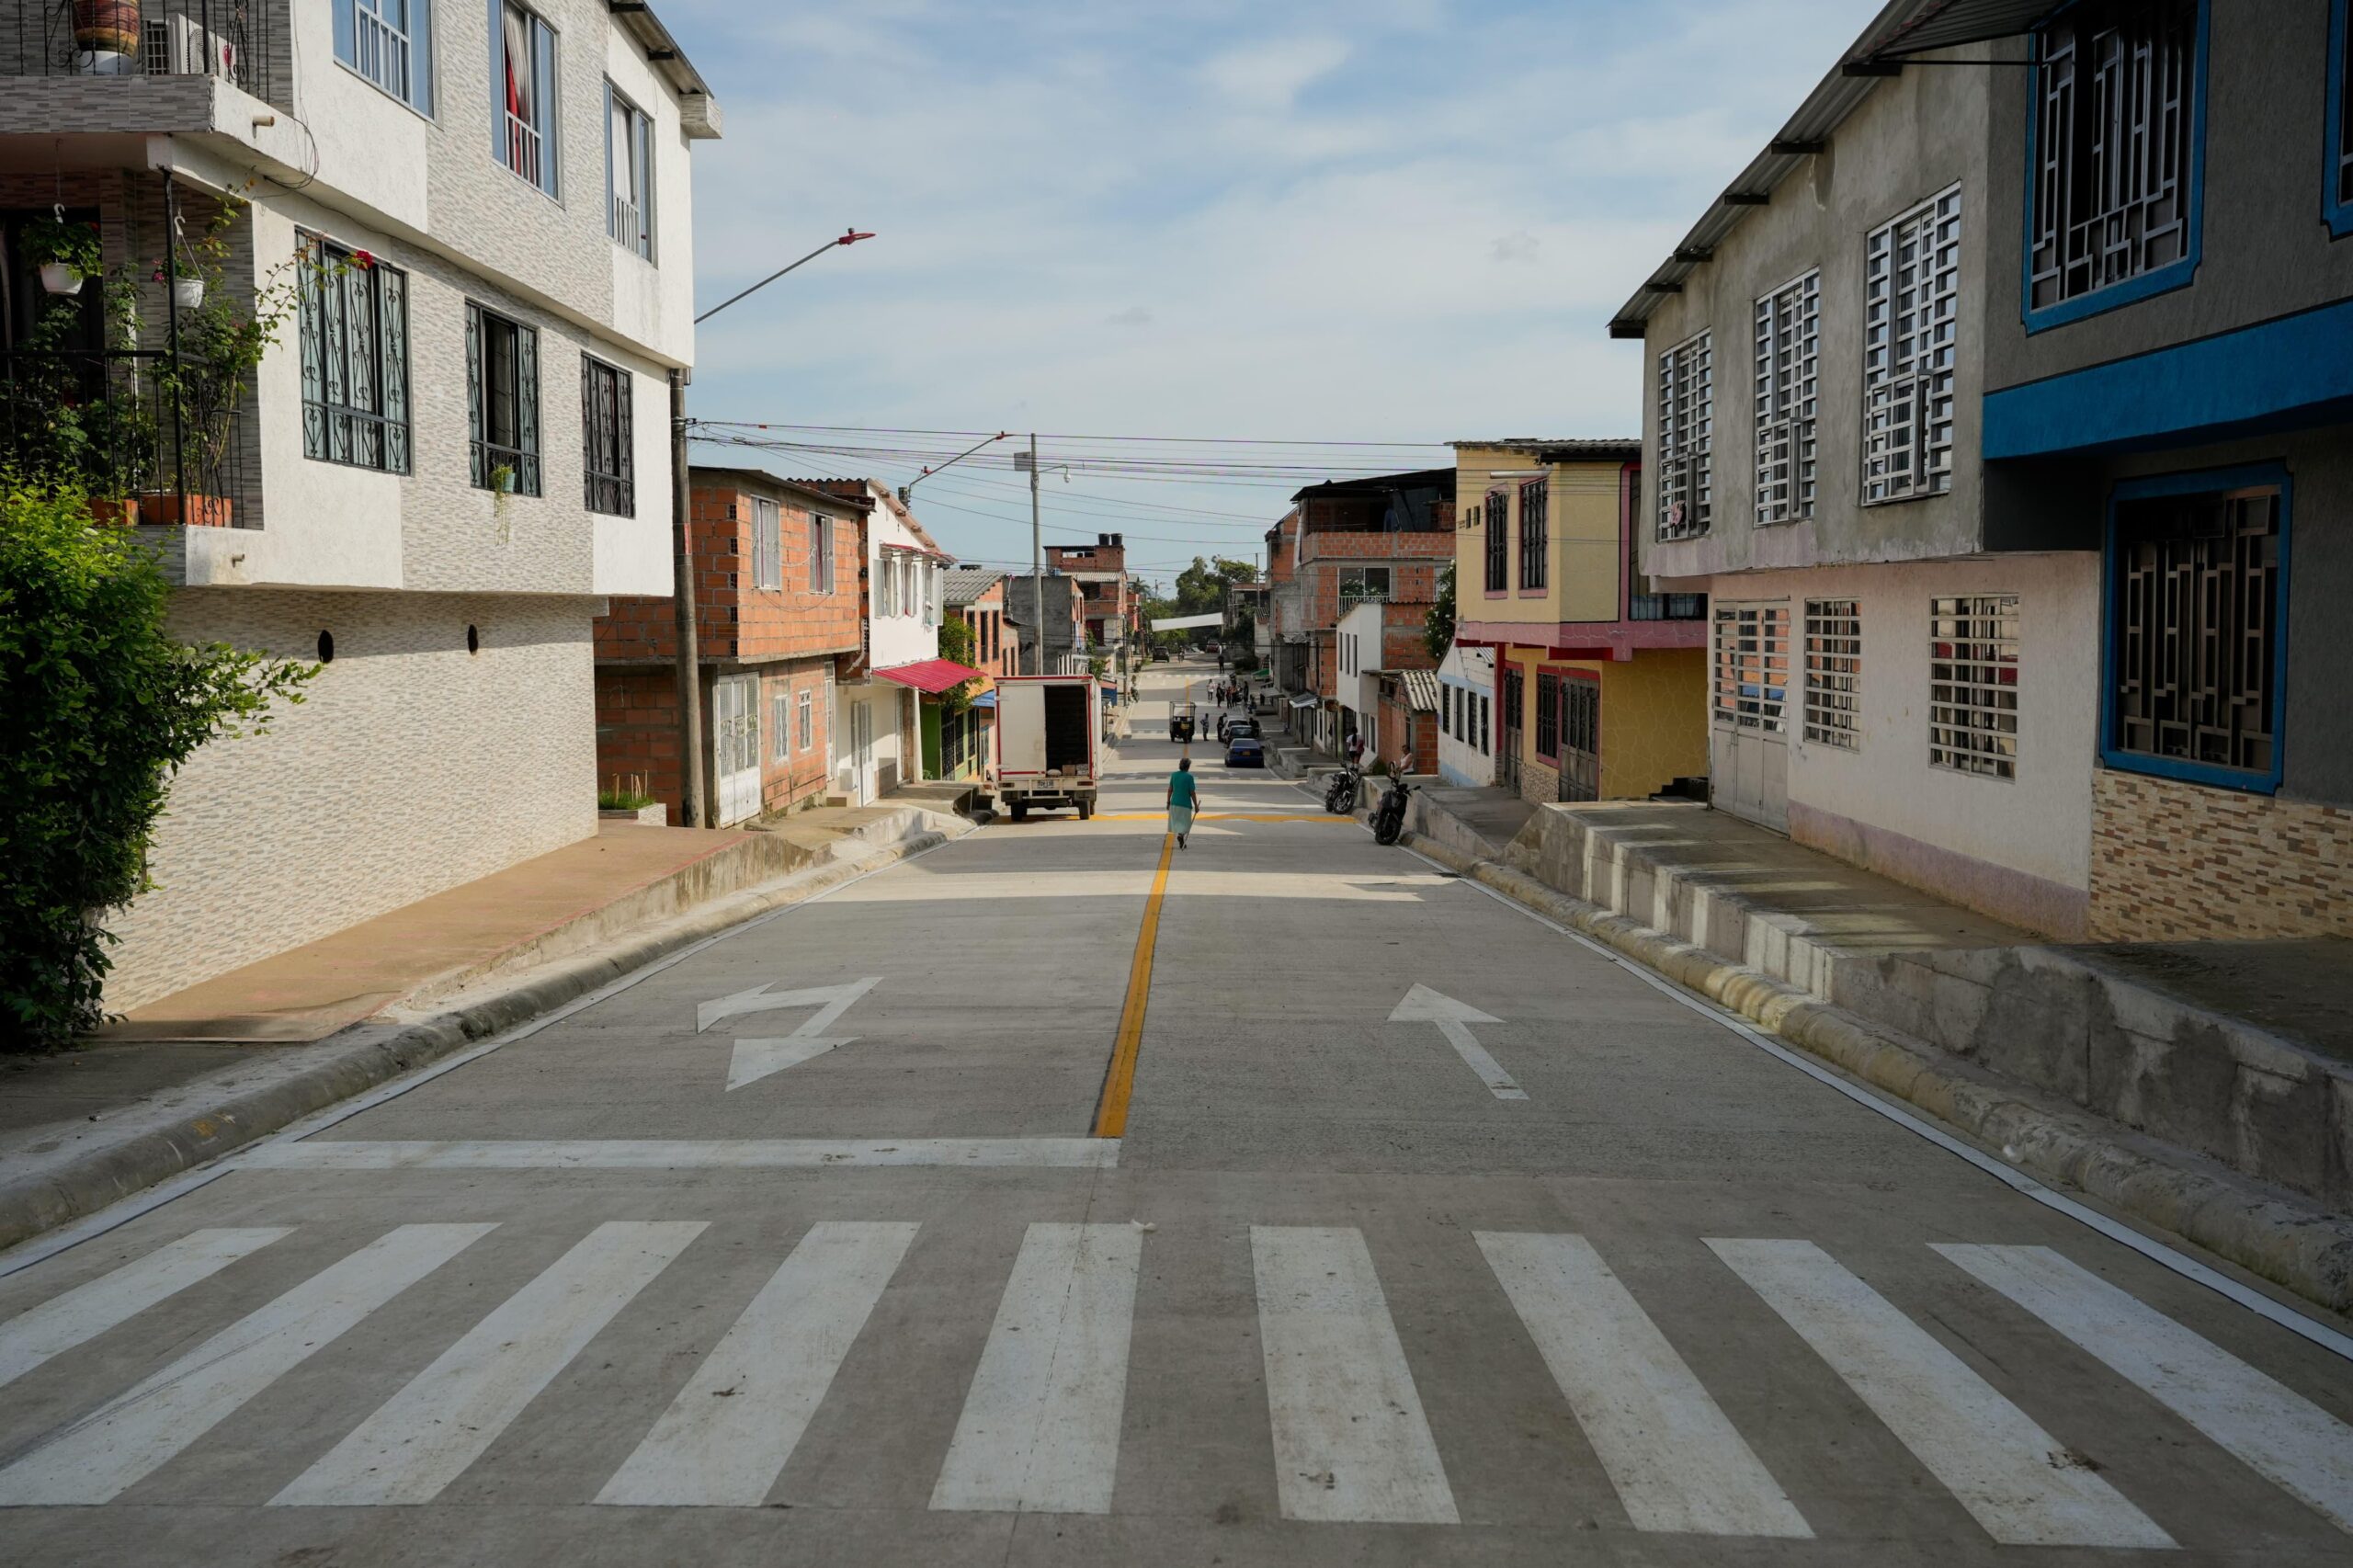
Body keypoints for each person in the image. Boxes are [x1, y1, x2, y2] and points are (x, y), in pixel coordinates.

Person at [1165, 756, 1199, 849]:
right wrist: (1196, 805)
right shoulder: (1189, 777)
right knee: (1186, 824)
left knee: (1177, 823)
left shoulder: (1174, 775)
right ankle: (1181, 835)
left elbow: (1170, 790)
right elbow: (1192, 792)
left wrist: (1168, 802)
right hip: (1185, 805)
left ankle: (1181, 837)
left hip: (1174, 803)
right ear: (1188, 767)